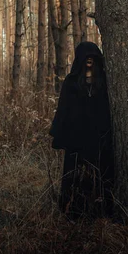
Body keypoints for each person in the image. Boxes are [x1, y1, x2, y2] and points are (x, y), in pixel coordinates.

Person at [49, 41, 114, 219]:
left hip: (100, 137)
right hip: (77, 140)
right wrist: (59, 132)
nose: (89, 60)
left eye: (93, 57)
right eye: (86, 57)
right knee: (76, 174)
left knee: (101, 173)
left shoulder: (105, 82)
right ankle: (75, 210)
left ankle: (102, 210)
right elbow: (63, 109)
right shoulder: (71, 82)